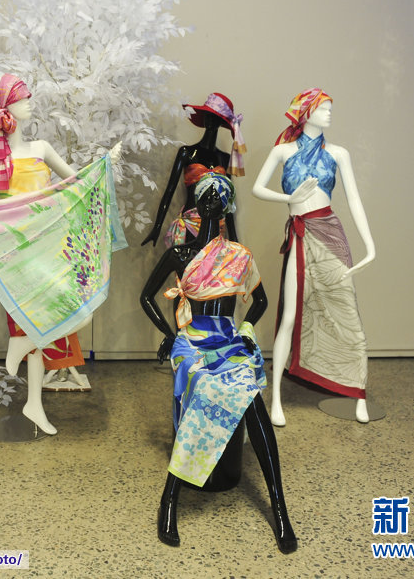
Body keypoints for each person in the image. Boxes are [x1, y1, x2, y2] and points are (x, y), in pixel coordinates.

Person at [0, 73, 126, 434]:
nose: (30, 103)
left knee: (77, 313)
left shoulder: (41, 148)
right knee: (30, 320)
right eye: (23, 98)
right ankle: (33, 402)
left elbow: (76, 184)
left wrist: (104, 164)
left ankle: (22, 352)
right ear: (7, 105)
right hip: (15, 255)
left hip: (49, 249)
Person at [140, 173, 296, 553]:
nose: (212, 197)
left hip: (228, 340)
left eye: (219, 193)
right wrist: (169, 335)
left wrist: (246, 327)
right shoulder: (180, 254)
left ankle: (279, 508)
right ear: (196, 200)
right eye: (206, 192)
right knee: (203, 388)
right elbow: (146, 297)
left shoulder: (239, 255)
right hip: (192, 342)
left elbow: (260, 302)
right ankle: (169, 499)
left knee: (252, 400)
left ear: (226, 205)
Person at [251, 88, 375, 425]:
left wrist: (369, 245)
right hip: (300, 234)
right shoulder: (282, 151)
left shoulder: (338, 153)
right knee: (290, 315)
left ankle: (358, 392)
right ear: (305, 113)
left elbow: (354, 199)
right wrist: (288, 198)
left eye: (331, 109)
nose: (329, 114)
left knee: (346, 312)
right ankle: (276, 398)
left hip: (329, 233)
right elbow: (257, 188)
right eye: (323, 109)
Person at [141, 92, 246, 248]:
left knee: (211, 263)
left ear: (220, 122)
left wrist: (234, 238)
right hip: (190, 223)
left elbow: (228, 202)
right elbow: (169, 191)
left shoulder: (224, 158)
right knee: (190, 262)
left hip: (216, 227)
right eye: (207, 115)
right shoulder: (187, 152)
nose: (209, 120)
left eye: (214, 117)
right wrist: (157, 227)